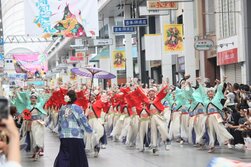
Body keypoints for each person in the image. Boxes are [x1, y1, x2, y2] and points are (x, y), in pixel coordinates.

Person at [54, 90, 93, 167]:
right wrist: (86, 114)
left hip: (64, 136)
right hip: (76, 136)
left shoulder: (62, 109)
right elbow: (83, 121)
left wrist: (60, 133)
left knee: (64, 156)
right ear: (75, 99)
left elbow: (59, 122)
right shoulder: (78, 108)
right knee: (77, 157)